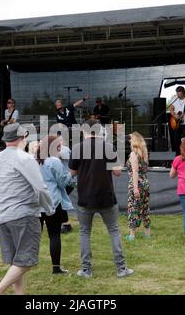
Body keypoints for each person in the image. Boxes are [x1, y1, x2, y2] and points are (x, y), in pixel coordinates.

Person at [0, 123, 54, 295]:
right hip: (23, 214)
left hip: (2, 214)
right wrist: (50, 208)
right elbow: (40, 187)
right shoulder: (25, 158)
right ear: (23, 138)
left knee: (16, 259)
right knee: (26, 261)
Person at [69, 119, 134, 278]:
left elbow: (72, 172)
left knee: (85, 232)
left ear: (84, 130)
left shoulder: (78, 148)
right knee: (114, 231)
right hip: (106, 196)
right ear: (99, 131)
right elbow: (118, 172)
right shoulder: (108, 147)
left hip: (85, 197)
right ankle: (121, 268)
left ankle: (86, 270)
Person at [37, 135, 75, 274]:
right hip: (52, 202)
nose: (61, 147)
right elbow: (63, 182)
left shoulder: (36, 161)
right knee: (54, 235)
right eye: (59, 145)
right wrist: (72, 174)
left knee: (35, 236)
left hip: (37, 202)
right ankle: (56, 268)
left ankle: (24, 264)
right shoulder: (54, 161)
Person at [125, 132, 151, 241]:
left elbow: (135, 171)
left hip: (136, 183)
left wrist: (135, 187)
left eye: (130, 140)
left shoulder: (133, 154)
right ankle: (147, 234)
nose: (129, 142)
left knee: (133, 208)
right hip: (145, 182)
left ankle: (131, 235)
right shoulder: (144, 153)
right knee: (145, 208)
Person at [169, 86, 185, 155]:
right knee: (176, 141)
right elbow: (171, 109)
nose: (178, 95)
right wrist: (174, 115)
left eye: (179, 94)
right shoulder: (174, 99)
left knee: (184, 141)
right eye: (177, 94)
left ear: (183, 93)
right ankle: (177, 156)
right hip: (176, 123)